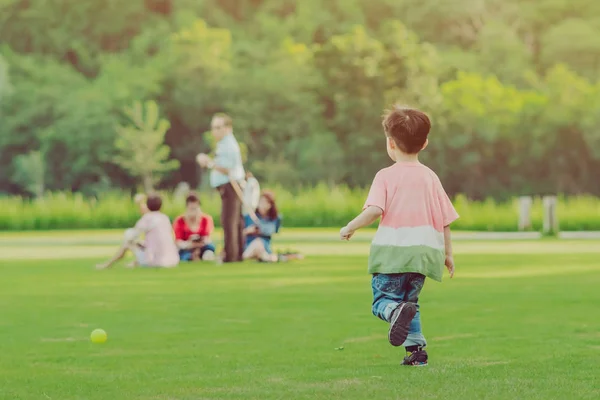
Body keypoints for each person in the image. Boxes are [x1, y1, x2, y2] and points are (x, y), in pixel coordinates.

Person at [339, 106, 459, 367]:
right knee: (410, 303)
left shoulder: (385, 176)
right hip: (425, 255)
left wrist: (350, 226)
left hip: (394, 252)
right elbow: (446, 219)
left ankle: (393, 312)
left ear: (390, 143)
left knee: (383, 301)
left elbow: (374, 210)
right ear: (425, 143)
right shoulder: (430, 177)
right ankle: (416, 353)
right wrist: (448, 254)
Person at [196, 113, 245, 263]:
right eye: (213, 128)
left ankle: (231, 256)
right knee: (235, 221)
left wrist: (208, 162)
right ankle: (236, 254)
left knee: (229, 221)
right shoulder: (223, 144)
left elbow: (227, 168)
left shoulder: (228, 145)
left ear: (228, 128)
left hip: (231, 186)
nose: (214, 131)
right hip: (229, 185)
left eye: (218, 127)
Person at [97, 194, 180, 269]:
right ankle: (134, 263)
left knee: (128, 243)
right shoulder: (165, 218)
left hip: (155, 261)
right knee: (144, 245)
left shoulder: (147, 218)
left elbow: (131, 236)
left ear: (147, 206)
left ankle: (107, 265)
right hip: (173, 260)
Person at [242, 191, 303, 263]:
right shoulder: (249, 217)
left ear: (270, 205)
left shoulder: (274, 218)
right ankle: (273, 258)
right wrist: (248, 231)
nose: (262, 205)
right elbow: (240, 233)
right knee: (260, 248)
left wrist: (259, 227)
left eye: (265, 202)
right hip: (248, 246)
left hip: (264, 246)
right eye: (260, 202)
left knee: (259, 243)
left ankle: (245, 257)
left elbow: (271, 230)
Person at [173, 193, 216, 262]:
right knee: (184, 255)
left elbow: (207, 237)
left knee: (210, 248)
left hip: (202, 246)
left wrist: (198, 244)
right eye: (191, 209)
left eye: (195, 208)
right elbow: (178, 241)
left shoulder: (206, 219)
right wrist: (189, 244)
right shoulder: (180, 220)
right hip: (186, 247)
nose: (193, 212)